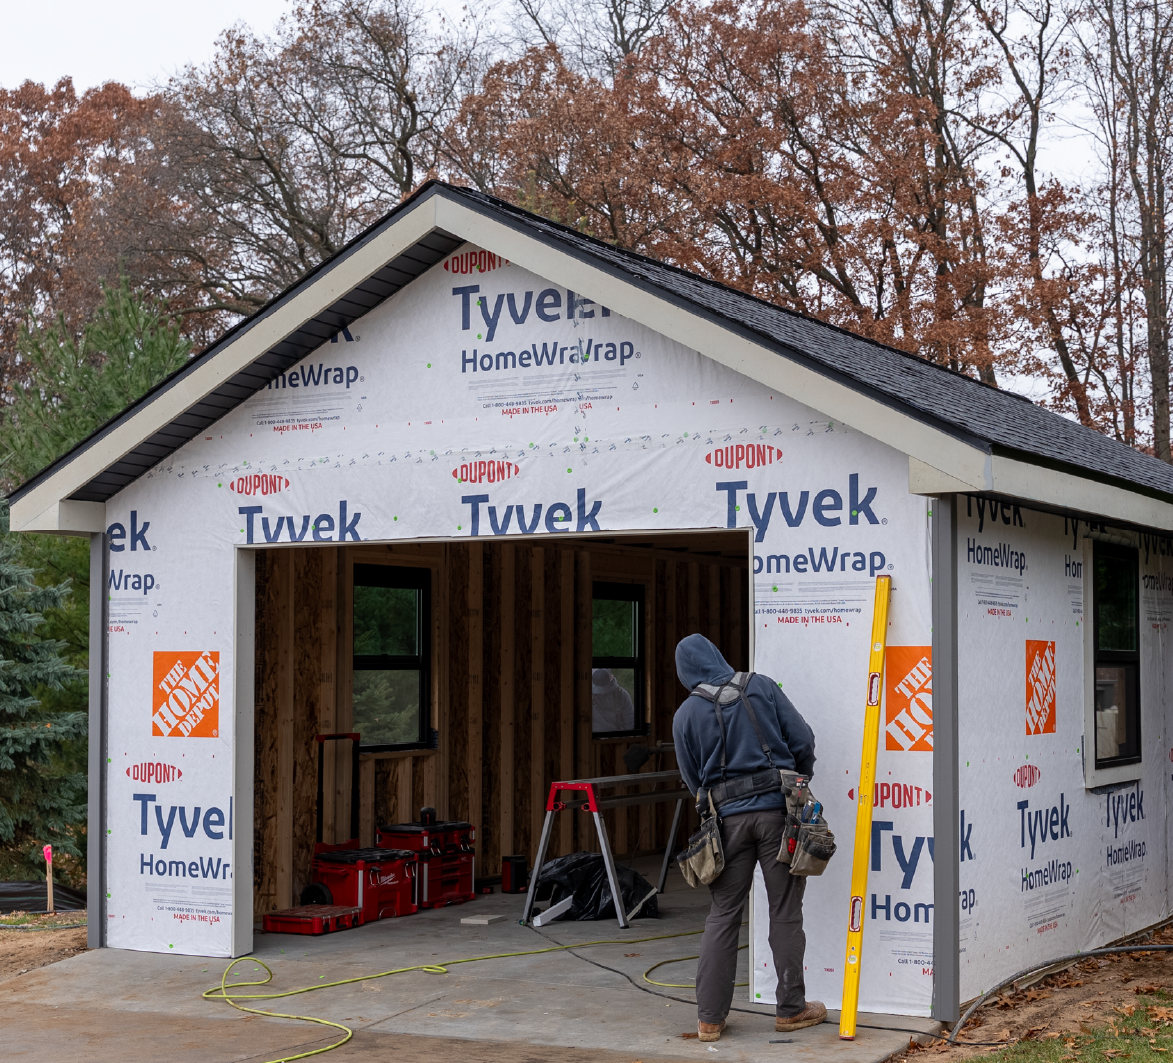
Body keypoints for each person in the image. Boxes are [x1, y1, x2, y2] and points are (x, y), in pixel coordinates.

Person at [671, 633, 823, 1043]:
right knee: (785, 912)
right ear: (717, 656)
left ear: (685, 672)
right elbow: (803, 740)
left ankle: (710, 1020)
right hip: (778, 814)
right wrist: (798, 777)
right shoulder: (760, 686)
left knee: (722, 915)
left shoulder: (686, 714)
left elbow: (692, 780)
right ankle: (791, 1010)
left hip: (726, 825)